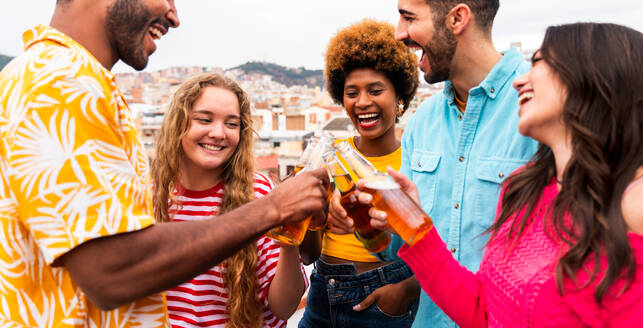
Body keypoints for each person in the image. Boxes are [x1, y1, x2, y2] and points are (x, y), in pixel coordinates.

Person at [0, 0, 328, 326]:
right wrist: (274, 208)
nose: (174, 16)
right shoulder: (60, 83)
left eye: (232, 123)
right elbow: (111, 271)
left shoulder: (58, 78)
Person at [373, 22, 643, 326]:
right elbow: (483, 310)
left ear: (592, 78)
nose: (520, 78)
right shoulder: (525, 190)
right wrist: (414, 223)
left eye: (538, 63)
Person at [329, 0, 539, 326]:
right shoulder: (423, 122)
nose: (399, 34)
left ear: (457, 18)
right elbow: (399, 249)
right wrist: (375, 221)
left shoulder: (539, 108)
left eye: (409, 18)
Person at [152, 73, 308, 327]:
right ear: (178, 123)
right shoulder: (149, 195)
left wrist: (289, 239)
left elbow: (283, 307)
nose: (218, 133)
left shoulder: (259, 193)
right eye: (204, 119)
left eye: (232, 124)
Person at [298, 20, 421, 328]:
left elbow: (441, 245)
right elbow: (307, 254)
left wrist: (406, 291)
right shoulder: (328, 154)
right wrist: (318, 217)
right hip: (322, 296)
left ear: (400, 96)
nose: (363, 102)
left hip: (386, 298)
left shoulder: (416, 159)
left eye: (376, 90)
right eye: (352, 92)